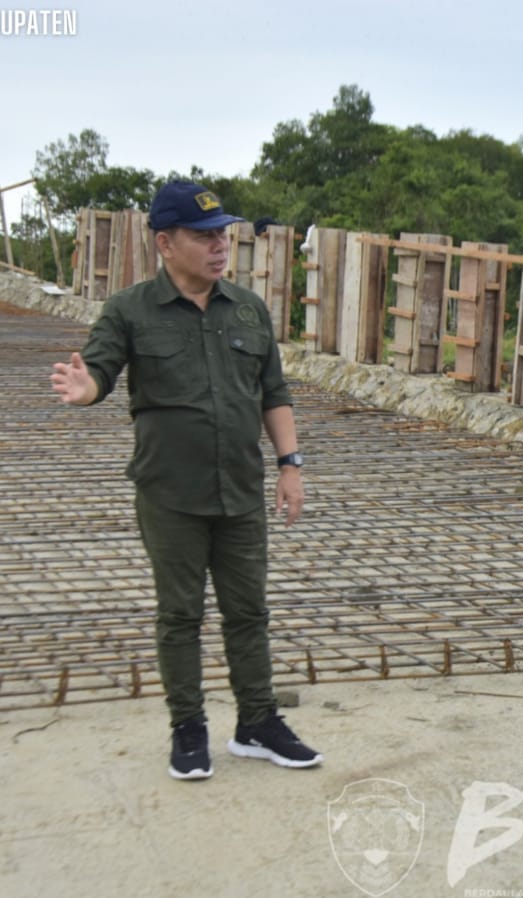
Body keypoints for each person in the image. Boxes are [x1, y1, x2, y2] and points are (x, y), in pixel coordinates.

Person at [50, 180, 322, 780]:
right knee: (180, 616)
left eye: (222, 234)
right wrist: (85, 388)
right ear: (165, 243)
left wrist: (290, 465)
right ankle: (188, 728)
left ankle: (257, 723)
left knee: (248, 611)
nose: (220, 246)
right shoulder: (129, 310)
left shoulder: (247, 308)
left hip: (240, 491)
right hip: (170, 495)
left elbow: (273, 394)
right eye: (204, 237)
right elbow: (99, 371)